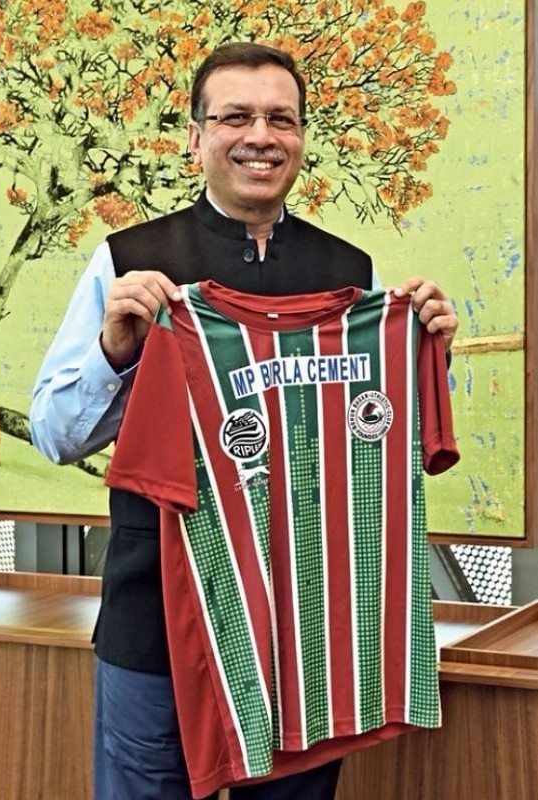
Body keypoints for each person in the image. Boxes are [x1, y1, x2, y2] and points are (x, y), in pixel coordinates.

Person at [30, 42, 458, 800]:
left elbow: (374, 432)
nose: (260, 134)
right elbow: (55, 435)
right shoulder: (128, 261)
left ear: (300, 138)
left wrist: (425, 354)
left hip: (306, 626)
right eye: (234, 116)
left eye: (280, 119)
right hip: (157, 619)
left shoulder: (352, 275)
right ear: (195, 137)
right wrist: (113, 352)